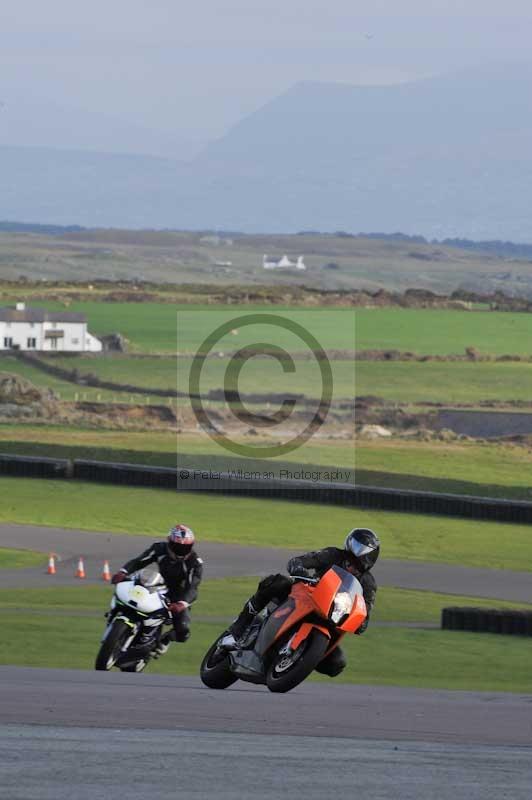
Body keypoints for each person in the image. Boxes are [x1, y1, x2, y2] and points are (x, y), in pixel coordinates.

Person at [226, 528, 380, 678]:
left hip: (333, 616)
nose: (354, 564)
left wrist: (361, 621)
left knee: (336, 663)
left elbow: (364, 609)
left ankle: (299, 659)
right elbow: (300, 560)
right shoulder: (332, 554)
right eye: (352, 559)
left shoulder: (368, 584)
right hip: (307, 595)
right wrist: (299, 569)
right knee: (276, 582)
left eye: (360, 561)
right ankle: (240, 626)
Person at [111, 524, 203, 654]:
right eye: (177, 547)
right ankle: (115, 615)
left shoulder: (195, 562)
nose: (180, 551)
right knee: (131, 591)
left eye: (185, 548)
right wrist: (123, 572)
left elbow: (193, 587)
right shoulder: (159, 548)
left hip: (179, 597)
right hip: (158, 585)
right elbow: (139, 561)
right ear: (169, 543)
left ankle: (166, 639)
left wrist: (182, 603)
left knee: (183, 631)